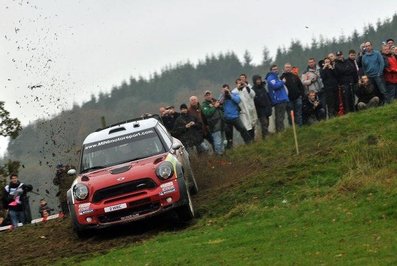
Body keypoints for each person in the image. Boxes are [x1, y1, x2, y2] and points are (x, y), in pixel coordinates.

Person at [221, 84, 252, 149]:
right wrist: (224, 95)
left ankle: (249, 142)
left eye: (227, 89)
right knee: (228, 133)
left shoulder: (234, 94)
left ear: (229, 89)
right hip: (227, 118)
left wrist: (230, 94)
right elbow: (219, 103)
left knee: (242, 129)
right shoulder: (222, 96)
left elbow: (238, 100)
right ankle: (230, 147)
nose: (226, 90)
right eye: (224, 89)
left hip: (235, 117)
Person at [266, 64, 289, 133]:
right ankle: (280, 132)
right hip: (278, 100)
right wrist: (282, 82)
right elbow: (275, 86)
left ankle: (281, 131)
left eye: (276, 69)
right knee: (279, 117)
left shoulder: (277, 77)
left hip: (283, 99)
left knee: (281, 117)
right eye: (274, 69)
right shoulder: (270, 78)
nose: (276, 70)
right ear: (271, 71)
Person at [280, 63, 305, 127]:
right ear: (284, 68)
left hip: (297, 98)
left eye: (289, 67)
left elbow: (301, 86)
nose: (288, 68)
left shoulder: (295, 76)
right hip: (288, 99)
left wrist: (302, 95)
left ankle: (300, 127)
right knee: (290, 114)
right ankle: (292, 128)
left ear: (291, 68)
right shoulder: (281, 77)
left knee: (298, 113)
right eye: (286, 67)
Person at [201, 90, 224, 155]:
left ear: (211, 95)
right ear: (204, 97)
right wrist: (214, 106)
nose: (208, 96)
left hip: (221, 123)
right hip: (214, 125)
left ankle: (222, 154)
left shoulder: (215, 101)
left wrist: (219, 105)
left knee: (223, 141)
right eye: (207, 95)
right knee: (217, 141)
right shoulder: (204, 104)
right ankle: (218, 155)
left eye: (209, 94)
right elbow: (207, 113)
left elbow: (222, 109)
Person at [251, 75, 272, 139]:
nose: (258, 81)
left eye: (259, 79)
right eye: (257, 80)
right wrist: (260, 103)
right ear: (254, 81)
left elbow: (267, 96)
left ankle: (265, 135)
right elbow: (255, 100)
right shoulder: (253, 89)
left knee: (267, 123)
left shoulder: (263, 87)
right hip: (260, 109)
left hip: (267, 108)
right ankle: (265, 137)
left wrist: (269, 105)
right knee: (264, 123)